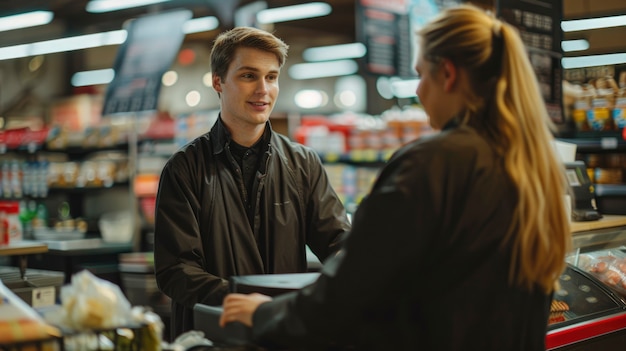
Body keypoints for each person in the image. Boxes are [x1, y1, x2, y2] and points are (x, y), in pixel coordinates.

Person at [219, 5, 572, 350]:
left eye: (421, 75)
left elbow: (352, 292)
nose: (418, 92)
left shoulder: (434, 162)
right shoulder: (532, 162)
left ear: (447, 74)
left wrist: (265, 313)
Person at [153, 26, 351, 340]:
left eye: (271, 77)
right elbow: (176, 270)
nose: (263, 89)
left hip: (282, 335)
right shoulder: (185, 168)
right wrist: (243, 301)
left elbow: (339, 244)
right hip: (213, 335)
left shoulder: (303, 163)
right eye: (248, 76)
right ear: (218, 81)